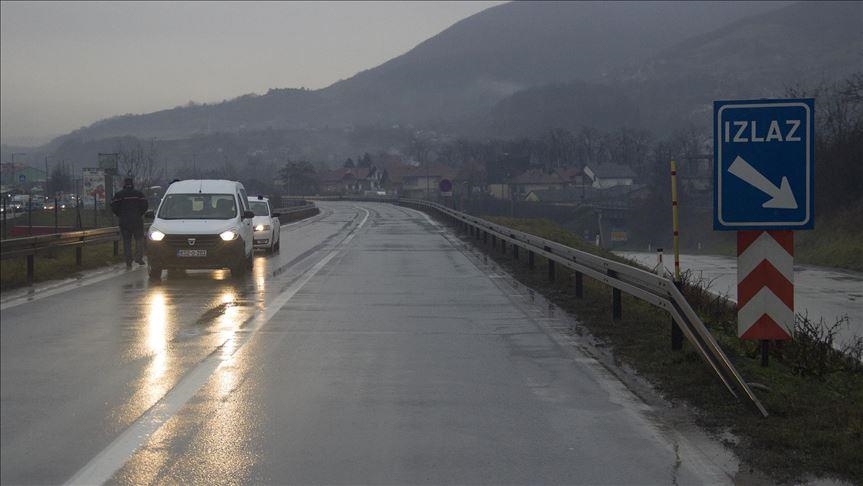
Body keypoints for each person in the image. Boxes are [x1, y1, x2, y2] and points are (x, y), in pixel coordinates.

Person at [111, 177, 149, 269]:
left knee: (126, 242)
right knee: (139, 240)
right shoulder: (139, 194)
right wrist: (139, 213)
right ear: (133, 184)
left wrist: (120, 214)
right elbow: (145, 205)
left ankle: (128, 261)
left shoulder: (119, 195)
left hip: (124, 222)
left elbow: (113, 206)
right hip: (137, 221)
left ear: (124, 184)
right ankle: (138, 258)